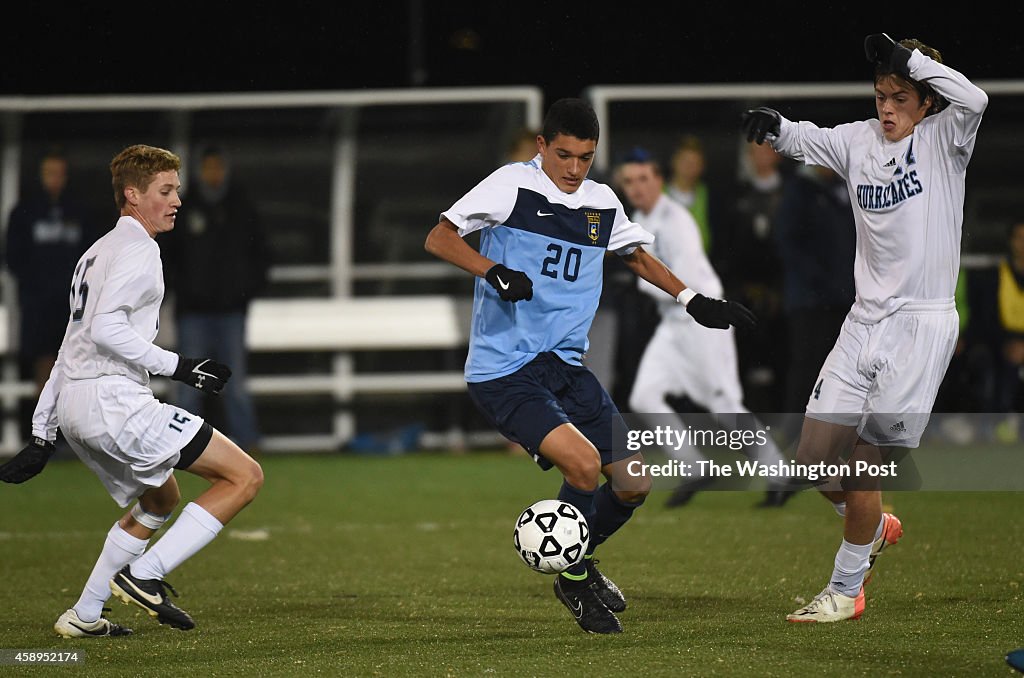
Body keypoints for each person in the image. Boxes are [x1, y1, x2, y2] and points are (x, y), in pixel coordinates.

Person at [424, 98, 755, 634]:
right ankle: (575, 582)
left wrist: (694, 300)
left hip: (566, 368)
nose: (574, 169)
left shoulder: (601, 201)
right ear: (541, 147)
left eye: (585, 157)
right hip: (505, 370)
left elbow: (635, 255)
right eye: (563, 155)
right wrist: (493, 271)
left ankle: (575, 561)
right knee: (581, 466)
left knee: (634, 484)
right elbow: (439, 236)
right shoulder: (510, 185)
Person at [742, 33, 987, 622]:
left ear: (926, 101)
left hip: (919, 327)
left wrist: (914, 63)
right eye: (880, 95)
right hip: (863, 324)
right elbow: (807, 139)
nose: (887, 107)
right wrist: (774, 127)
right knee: (811, 463)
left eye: (900, 96)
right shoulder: (857, 141)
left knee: (863, 467)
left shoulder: (945, 139)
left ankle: (846, 590)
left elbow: (975, 99)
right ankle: (873, 524)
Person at [0, 144, 264, 638]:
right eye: (165, 191)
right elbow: (104, 330)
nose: (176, 201)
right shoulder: (139, 249)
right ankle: (146, 573)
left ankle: (84, 614)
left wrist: (42, 432)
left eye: (177, 191)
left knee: (162, 497)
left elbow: (72, 342)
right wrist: (181, 366)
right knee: (243, 477)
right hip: (112, 401)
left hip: (80, 402)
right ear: (132, 195)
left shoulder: (95, 251)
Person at [617, 148, 794, 508]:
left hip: (703, 321)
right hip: (672, 323)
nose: (636, 187)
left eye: (643, 179)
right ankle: (695, 467)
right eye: (629, 181)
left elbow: (680, 281)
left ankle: (778, 474)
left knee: (724, 404)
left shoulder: (676, 219)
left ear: (659, 180)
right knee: (643, 396)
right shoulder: (639, 218)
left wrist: (636, 280)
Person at [161, 145, 268, 453]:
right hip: (193, 312)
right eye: (208, 168)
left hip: (231, 311)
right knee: (188, 385)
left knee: (234, 383)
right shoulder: (184, 206)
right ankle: (177, 445)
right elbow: (168, 255)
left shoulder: (240, 206)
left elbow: (260, 254)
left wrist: (244, 292)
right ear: (201, 170)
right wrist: (184, 289)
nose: (213, 174)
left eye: (218, 168)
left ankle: (248, 443)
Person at [773, 164, 856, 443]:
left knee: (842, 368)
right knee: (807, 366)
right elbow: (788, 242)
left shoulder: (843, 189)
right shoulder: (799, 191)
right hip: (809, 299)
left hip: (842, 298)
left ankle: (834, 430)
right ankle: (794, 430)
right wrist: (823, 280)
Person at [5, 148, 94, 403]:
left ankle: (70, 431)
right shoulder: (26, 211)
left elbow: (92, 256)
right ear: (41, 175)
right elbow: (13, 257)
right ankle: (41, 431)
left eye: (59, 173)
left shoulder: (79, 211)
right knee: (43, 363)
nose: (54, 178)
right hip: (38, 304)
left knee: (73, 363)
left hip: (73, 305)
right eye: (49, 173)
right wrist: (35, 286)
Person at [665, 134, 713, 252]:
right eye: (685, 161)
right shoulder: (656, 194)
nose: (689, 168)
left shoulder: (709, 196)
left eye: (695, 163)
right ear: (674, 161)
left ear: (702, 167)